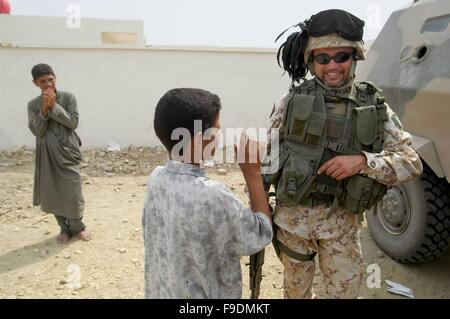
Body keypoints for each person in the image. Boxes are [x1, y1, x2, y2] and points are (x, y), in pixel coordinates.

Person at [262, 9, 423, 298]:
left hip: (342, 228)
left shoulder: (373, 106)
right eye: (323, 58)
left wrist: (363, 162)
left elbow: (411, 163)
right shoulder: (291, 101)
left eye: (342, 56)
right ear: (310, 60)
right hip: (292, 226)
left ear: (355, 56)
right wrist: (259, 216)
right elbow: (266, 160)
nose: (332, 65)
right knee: (295, 294)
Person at [142, 88, 272, 298]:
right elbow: (260, 234)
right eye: (217, 129)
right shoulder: (214, 196)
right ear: (202, 139)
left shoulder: (155, 178)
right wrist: (252, 173)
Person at [27, 63, 90, 244]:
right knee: (53, 191)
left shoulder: (68, 98)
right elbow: (37, 131)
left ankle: (78, 227)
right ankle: (64, 229)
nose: (48, 84)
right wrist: (44, 111)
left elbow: (73, 122)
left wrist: (53, 106)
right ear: (35, 83)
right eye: (42, 81)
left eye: (50, 79)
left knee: (73, 191)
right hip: (46, 155)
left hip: (68, 153)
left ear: (55, 78)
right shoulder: (33, 105)